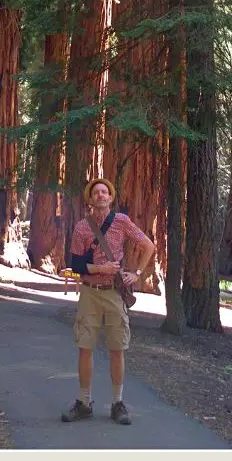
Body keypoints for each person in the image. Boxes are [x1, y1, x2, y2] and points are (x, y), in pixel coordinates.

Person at [62, 178, 155, 425]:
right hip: (90, 292)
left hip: (114, 293)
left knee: (117, 348)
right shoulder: (82, 228)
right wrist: (99, 267)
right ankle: (83, 402)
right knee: (85, 347)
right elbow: (77, 264)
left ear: (111, 198)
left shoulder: (122, 222)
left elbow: (148, 246)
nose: (101, 195)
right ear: (90, 199)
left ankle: (117, 403)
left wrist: (137, 273)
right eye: (96, 193)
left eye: (105, 192)